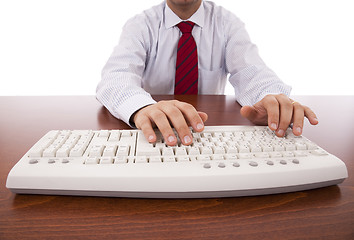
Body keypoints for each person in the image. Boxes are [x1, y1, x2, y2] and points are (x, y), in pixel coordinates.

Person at [96, 0, 318, 146]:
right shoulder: (140, 24)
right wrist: (142, 108)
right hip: (155, 132)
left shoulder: (227, 23)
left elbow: (252, 72)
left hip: (207, 132)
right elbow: (115, 78)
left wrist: (270, 98)